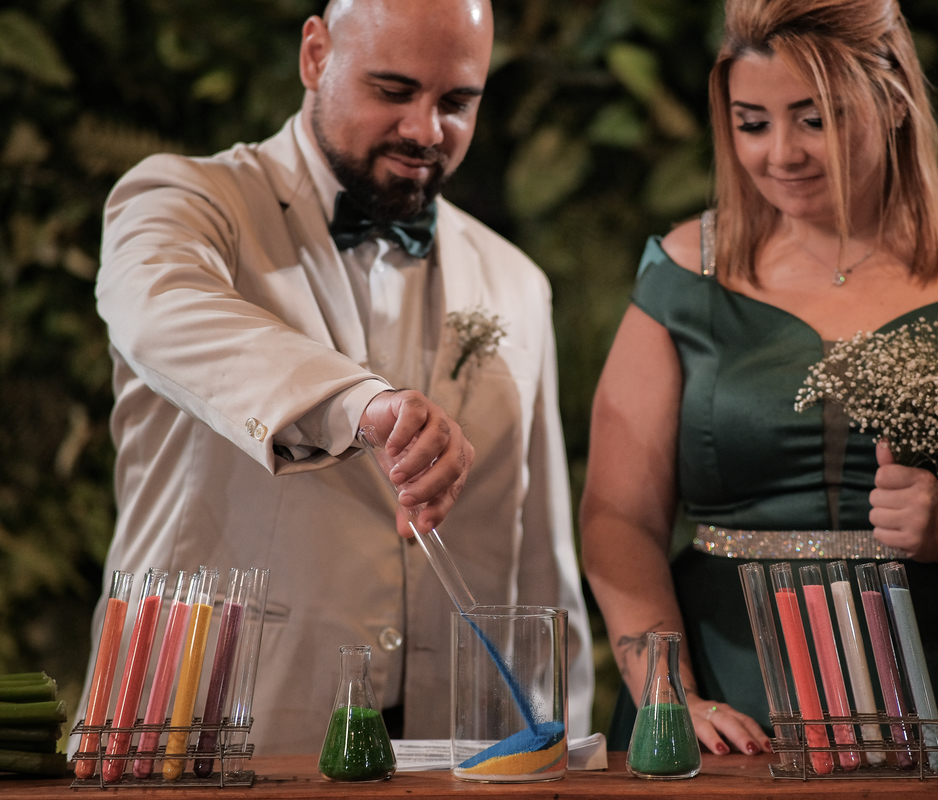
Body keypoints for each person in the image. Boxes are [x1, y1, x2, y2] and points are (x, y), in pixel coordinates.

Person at [581, 0, 938, 756]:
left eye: (817, 119)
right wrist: (667, 694)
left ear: (895, 99)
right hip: (731, 710)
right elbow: (618, 519)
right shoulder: (682, 274)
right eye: (752, 123)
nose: (783, 153)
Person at [80, 0, 592, 753]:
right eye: (394, 90)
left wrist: (560, 741)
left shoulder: (515, 279)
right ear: (315, 55)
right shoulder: (184, 202)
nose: (426, 130)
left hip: (453, 747)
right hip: (210, 728)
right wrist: (362, 405)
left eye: (456, 102)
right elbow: (163, 310)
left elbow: (540, 551)